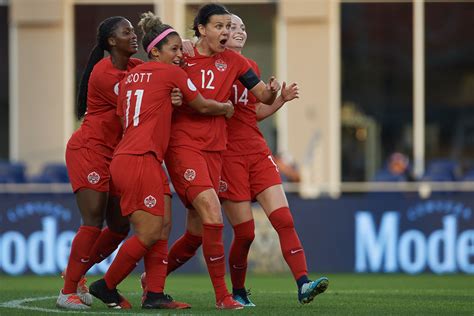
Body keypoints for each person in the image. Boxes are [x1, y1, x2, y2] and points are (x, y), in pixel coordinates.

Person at [165, 14, 329, 307]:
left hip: (256, 149)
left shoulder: (247, 66)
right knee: (244, 233)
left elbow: (252, 111)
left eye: (239, 27)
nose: (235, 31)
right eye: (229, 27)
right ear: (209, 31)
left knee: (283, 219)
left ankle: (303, 283)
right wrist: (188, 44)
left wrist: (278, 98)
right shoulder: (197, 57)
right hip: (225, 154)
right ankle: (237, 291)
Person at [88, 12, 234, 310]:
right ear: (155, 51)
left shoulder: (131, 77)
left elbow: (125, 114)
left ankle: (154, 293)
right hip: (140, 159)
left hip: (134, 157)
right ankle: (105, 284)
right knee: (150, 232)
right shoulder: (170, 74)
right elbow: (203, 105)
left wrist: (167, 101)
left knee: (164, 226)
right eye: (174, 49)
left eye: (182, 49)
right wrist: (226, 107)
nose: (180, 55)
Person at [161, 2, 280, 310]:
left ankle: (152, 281)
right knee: (214, 214)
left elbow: (261, 96)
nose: (226, 32)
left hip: (214, 149)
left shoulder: (235, 62)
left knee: (196, 233)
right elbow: (155, 67)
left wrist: (273, 91)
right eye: (219, 26)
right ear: (201, 28)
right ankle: (223, 297)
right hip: (184, 146)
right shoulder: (182, 55)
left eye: (229, 26)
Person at [57, 16, 142, 310]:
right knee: (93, 221)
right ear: (111, 41)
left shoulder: (134, 68)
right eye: (126, 32)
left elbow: (157, 76)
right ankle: (67, 291)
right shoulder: (104, 74)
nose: (134, 36)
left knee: (119, 226)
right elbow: (132, 106)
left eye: (134, 31)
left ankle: (75, 273)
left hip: (114, 155)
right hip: (89, 150)